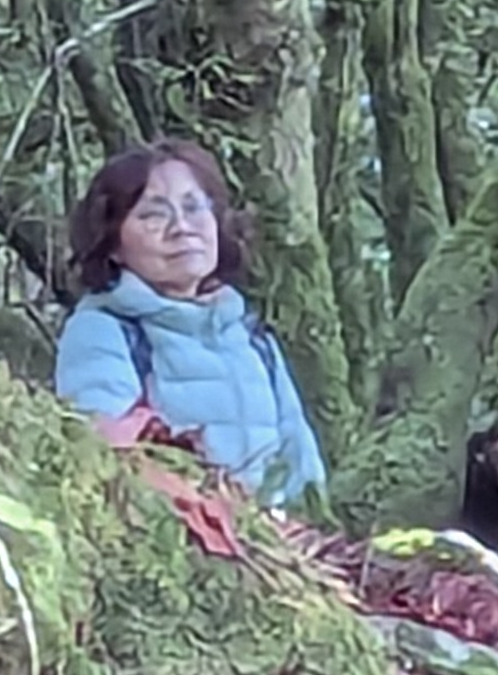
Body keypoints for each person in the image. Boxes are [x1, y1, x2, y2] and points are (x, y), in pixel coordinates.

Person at [53, 140, 329, 509]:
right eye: (153, 215)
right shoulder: (102, 330)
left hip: (274, 553)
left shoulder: (248, 334)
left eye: (194, 207)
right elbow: (106, 458)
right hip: (178, 544)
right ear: (113, 244)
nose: (182, 228)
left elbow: (302, 465)